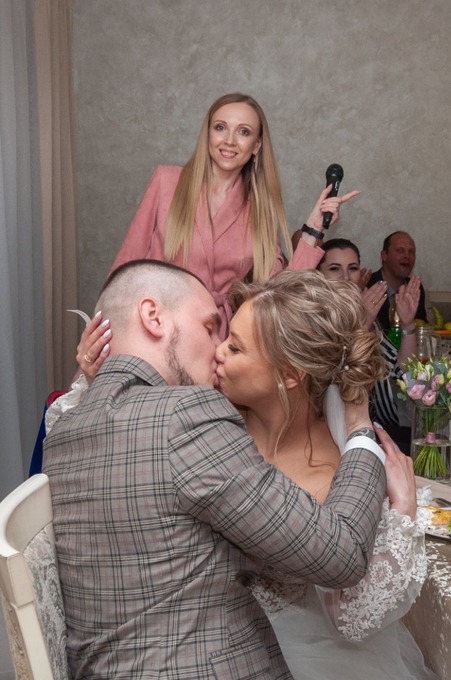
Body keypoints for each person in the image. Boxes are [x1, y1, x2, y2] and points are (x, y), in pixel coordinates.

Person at [43, 259, 389, 680]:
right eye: (209, 327)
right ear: (153, 316)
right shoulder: (187, 415)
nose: (216, 349)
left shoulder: (64, 430)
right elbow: (343, 556)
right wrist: (360, 432)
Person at [216, 269, 436, 679]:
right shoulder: (210, 421)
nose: (218, 352)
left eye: (235, 347)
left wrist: (403, 508)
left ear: (289, 374)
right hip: (216, 640)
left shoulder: (339, 471)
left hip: (304, 656)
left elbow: (353, 615)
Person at [109, 92, 359, 339]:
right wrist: (109, 338)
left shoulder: (261, 210)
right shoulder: (167, 181)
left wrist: (313, 229)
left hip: (212, 340)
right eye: (220, 127)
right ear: (207, 134)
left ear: (256, 145)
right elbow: (124, 268)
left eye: (243, 132)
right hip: (152, 329)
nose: (229, 140)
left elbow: (278, 294)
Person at [314, 238, 420, 455]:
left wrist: (408, 324)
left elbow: (404, 372)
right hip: (329, 438)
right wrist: (360, 327)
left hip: (379, 428)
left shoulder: (362, 311)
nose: (346, 277)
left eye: (352, 268)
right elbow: (328, 385)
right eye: (334, 268)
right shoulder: (312, 319)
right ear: (318, 275)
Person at [367, 231, 427, 331]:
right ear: (384, 255)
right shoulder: (368, 285)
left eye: (411, 251)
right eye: (400, 250)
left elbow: (421, 326)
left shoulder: (416, 288)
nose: (407, 256)